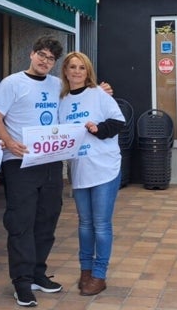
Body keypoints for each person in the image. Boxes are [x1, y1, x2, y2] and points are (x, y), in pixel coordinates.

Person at [0, 35, 67, 307]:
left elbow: (78, 101)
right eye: (42, 55)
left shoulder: (58, 85)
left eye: (51, 59)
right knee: (21, 222)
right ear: (31, 54)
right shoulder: (12, 83)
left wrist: (100, 91)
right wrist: (9, 142)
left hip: (51, 161)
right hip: (19, 163)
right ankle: (21, 283)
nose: (45, 61)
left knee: (47, 220)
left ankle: (37, 273)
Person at [58, 51, 125, 296]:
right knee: (84, 224)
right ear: (65, 71)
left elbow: (119, 122)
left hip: (104, 168)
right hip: (79, 169)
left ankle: (99, 274)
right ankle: (85, 270)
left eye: (81, 68)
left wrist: (98, 129)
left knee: (101, 224)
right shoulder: (62, 100)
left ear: (88, 72)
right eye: (72, 67)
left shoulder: (98, 94)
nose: (76, 72)